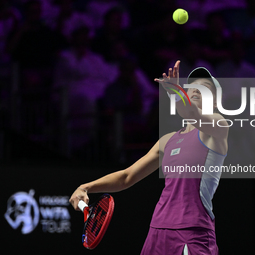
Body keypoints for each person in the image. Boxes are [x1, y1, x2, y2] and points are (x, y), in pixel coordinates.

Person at [69, 60, 229, 255]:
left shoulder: (218, 128)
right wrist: (85, 187)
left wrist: (176, 93)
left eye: (204, 88)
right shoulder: (167, 141)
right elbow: (127, 177)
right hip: (158, 230)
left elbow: (191, 113)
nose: (196, 90)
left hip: (193, 232)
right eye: (192, 87)